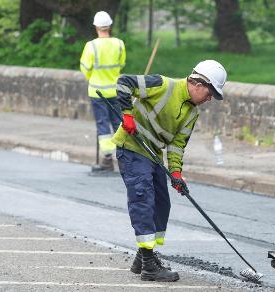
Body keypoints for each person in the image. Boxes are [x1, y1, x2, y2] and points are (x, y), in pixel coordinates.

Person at [112, 60, 227, 282]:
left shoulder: (192, 113)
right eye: (210, 93)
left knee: (162, 204)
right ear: (198, 84)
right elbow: (124, 82)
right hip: (132, 148)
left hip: (152, 153)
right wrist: (127, 115)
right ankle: (148, 266)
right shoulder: (163, 85)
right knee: (143, 199)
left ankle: (142, 258)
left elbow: (176, 146)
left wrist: (176, 174)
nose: (209, 98)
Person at [80, 11, 126, 172]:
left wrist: (93, 78)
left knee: (102, 125)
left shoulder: (91, 46)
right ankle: (124, 156)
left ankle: (107, 159)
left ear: (96, 27)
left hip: (97, 92)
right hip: (115, 90)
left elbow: (85, 69)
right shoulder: (119, 44)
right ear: (109, 26)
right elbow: (121, 64)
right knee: (118, 123)